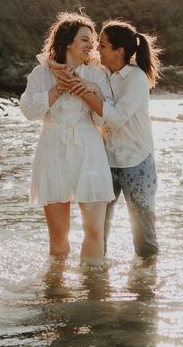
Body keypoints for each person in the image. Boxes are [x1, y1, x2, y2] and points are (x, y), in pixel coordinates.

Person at [19, 12, 115, 265]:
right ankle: (57, 294)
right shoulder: (42, 74)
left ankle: (92, 291)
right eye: (85, 39)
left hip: (89, 151)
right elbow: (29, 110)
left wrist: (87, 90)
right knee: (58, 237)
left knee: (94, 231)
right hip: (53, 150)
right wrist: (58, 89)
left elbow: (106, 118)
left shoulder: (97, 75)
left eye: (93, 41)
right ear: (67, 42)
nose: (91, 45)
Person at [60, 19, 161, 257]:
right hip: (106, 161)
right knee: (98, 228)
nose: (97, 50)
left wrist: (86, 92)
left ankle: (145, 287)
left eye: (103, 45)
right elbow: (99, 118)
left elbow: (115, 119)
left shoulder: (136, 79)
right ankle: (97, 284)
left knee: (144, 236)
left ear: (120, 51)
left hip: (137, 162)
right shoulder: (103, 75)